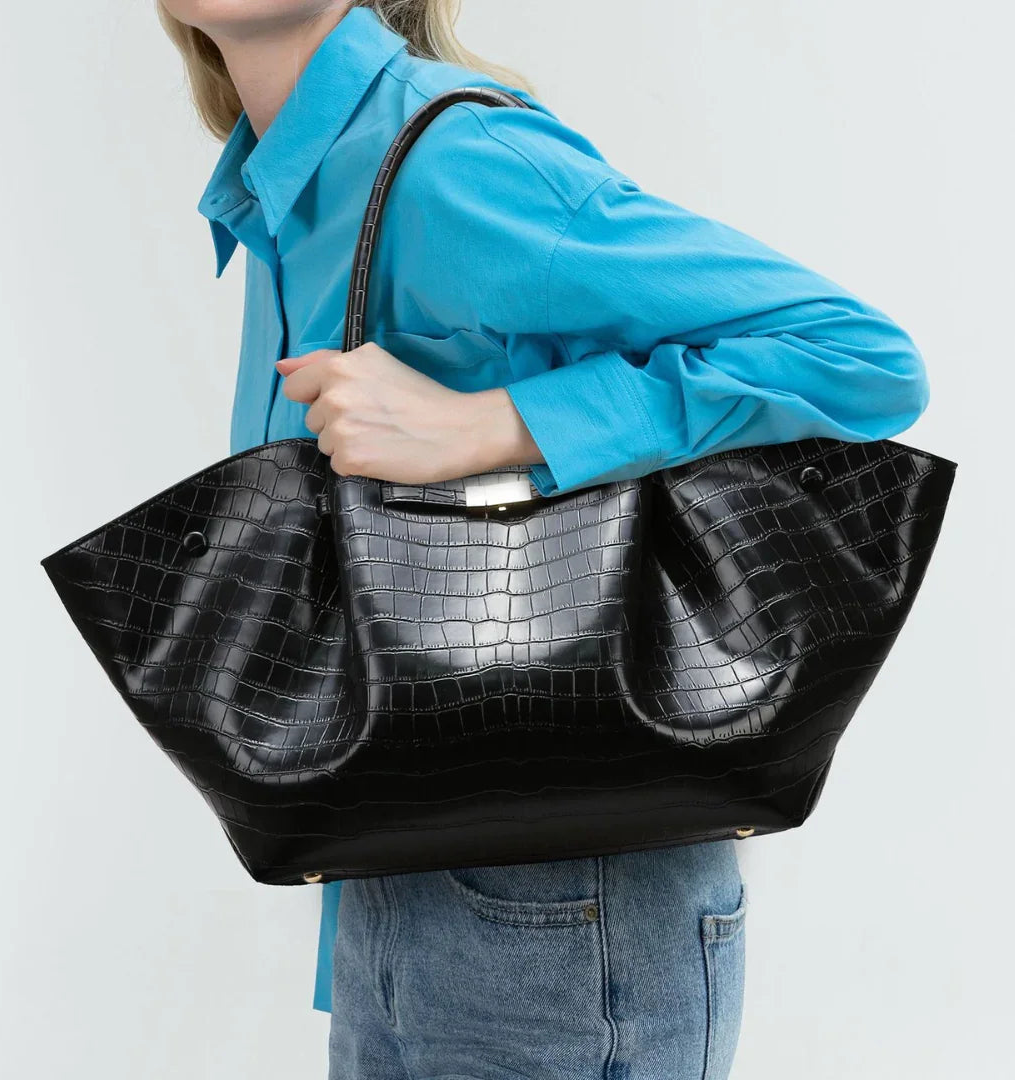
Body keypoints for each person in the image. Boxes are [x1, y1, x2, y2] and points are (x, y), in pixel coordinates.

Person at [156, 2, 930, 1077]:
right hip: (401, 880)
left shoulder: (454, 160)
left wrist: (496, 424)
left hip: (569, 898)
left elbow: (858, 358)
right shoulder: (286, 195)